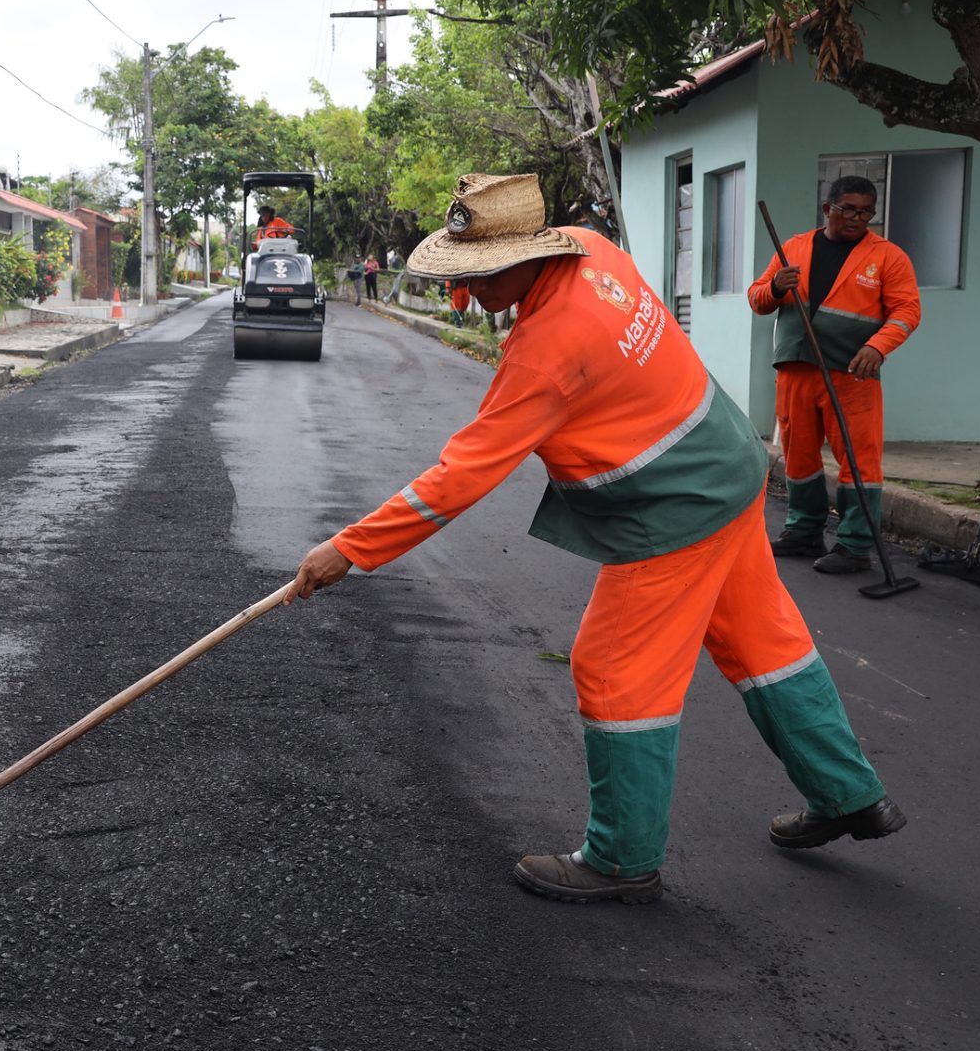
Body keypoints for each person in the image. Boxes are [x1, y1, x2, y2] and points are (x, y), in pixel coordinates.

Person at [286, 173, 903, 905]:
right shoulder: (589, 246)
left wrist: (349, 550)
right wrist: (482, 286)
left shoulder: (547, 351)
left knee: (612, 669)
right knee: (768, 648)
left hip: (677, 509)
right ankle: (850, 795)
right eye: (464, 273)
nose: (474, 287)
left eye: (482, 273)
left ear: (529, 253)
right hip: (730, 465)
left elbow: (458, 478)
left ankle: (621, 859)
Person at [748, 176, 921, 574]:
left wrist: (877, 347)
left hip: (851, 374)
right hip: (796, 368)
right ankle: (804, 530)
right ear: (828, 209)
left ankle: (855, 545)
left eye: (866, 211)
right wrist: (775, 286)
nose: (858, 218)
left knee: (858, 460)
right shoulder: (793, 248)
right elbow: (757, 300)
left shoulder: (888, 257)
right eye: (849, 210)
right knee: (798, 456)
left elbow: (907, 311)